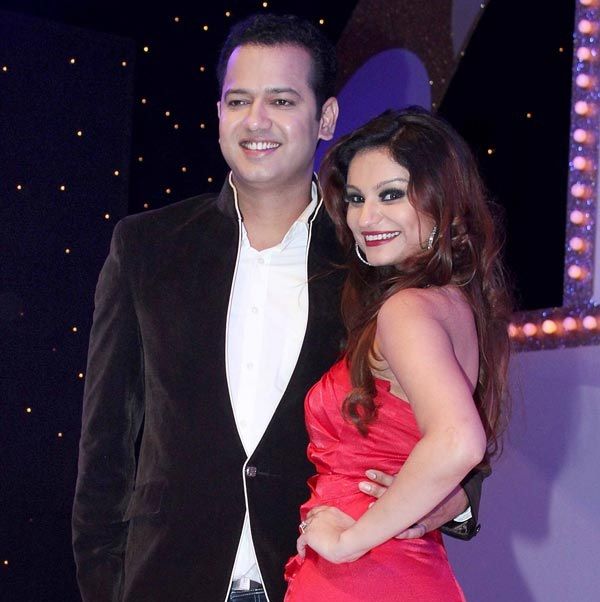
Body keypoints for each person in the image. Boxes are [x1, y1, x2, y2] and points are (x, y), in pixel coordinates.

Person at [71, 14, 485, 602]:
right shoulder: (147, 246)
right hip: (166, 579)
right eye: (239, 100)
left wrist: (460, 498)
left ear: (326, 118)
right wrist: (103, 588)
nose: (256, 119)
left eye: (282, 100)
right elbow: (105, 446)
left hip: (323, 575)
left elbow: (452, 411)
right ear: (219, 113)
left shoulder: (371, 257)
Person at [284, 107, 512, 601]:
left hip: (364, 575)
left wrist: (347, 542)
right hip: (401, 567)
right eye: (356, 198)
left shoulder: (405, 310)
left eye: (390, 194)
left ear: (441, 201)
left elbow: (458, 440)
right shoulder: (454, 304)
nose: (366, 217)